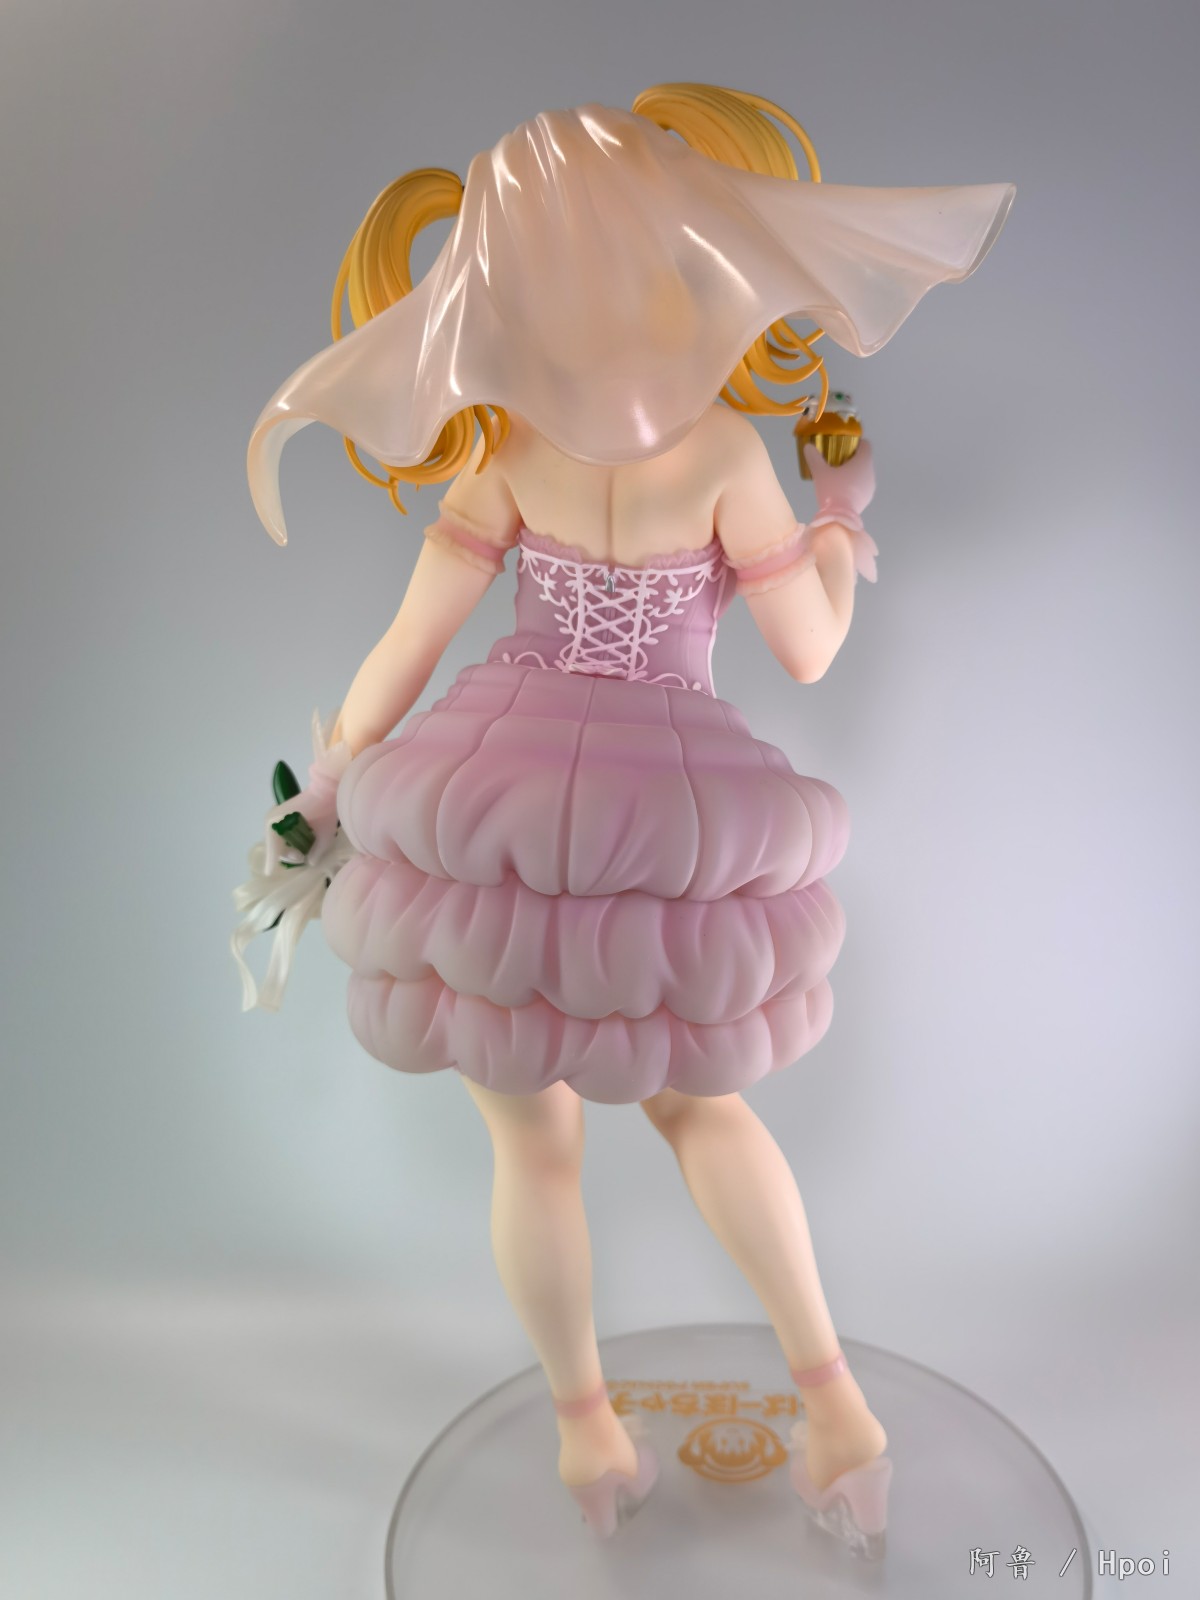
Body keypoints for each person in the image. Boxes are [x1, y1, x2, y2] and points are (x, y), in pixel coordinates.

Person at [233, 82, 1014, 1550]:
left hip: (497, 809)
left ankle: (587, 1438)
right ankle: (836, 1411)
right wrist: (840, 516)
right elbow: (809, 650)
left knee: (530, 1150)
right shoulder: (720, 454)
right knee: (699, 1106)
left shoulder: (507, 447)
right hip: (660, 808)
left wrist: (325, 794)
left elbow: (404, 653)